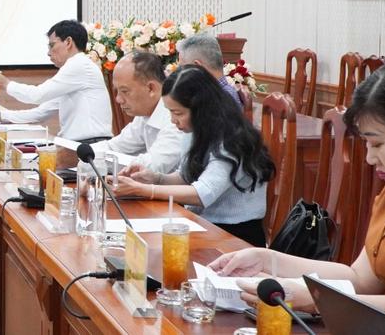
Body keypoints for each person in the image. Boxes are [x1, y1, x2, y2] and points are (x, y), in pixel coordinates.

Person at [210, 61, 385, 332]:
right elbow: (361, 278)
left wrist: (315, 300)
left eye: (378, 144)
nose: (370, 158)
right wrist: (268, 259)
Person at [112, 66, 273, 247]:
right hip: (202, 224)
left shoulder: (234, 139)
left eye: (178, 113)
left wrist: (145, 190)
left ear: (201, 109)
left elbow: (202, 193)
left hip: (235, 236)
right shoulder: (196, 130)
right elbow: (185, 176)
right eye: (170, 112)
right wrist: (155, 178)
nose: (172, 120)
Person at [0, 20, 112, 142]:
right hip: (80, 144)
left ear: (68, 42)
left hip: (90, 145)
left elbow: (36, 95)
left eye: (52, 45)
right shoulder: (74, 71)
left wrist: (6, 84)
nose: (48, 53)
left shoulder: (78, 64)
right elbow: (40, 113)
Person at [90, 51, 189, 173]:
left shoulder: (176, 117)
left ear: (151, 88)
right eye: (117, 91)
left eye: (124, 91)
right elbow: (114, 147)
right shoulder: (145, 114)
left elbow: (152, 166)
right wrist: (82, 153)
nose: (118, 99)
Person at [176, 33, 244, 110]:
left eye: (182, 68)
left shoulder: (217, 101)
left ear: (197, 67)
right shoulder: (218, 94)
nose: (180, 74)